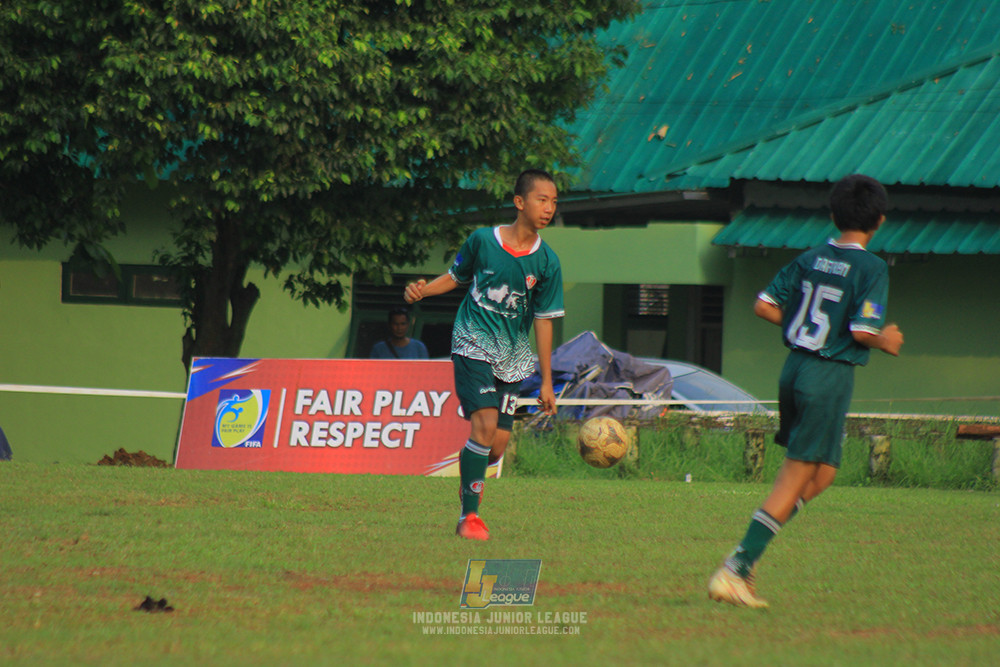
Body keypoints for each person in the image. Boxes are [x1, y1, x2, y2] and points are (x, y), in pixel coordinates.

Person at [708, 174, 905, 608]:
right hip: (827, 375)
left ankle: (748, 552)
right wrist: (885, 340)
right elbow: (862, 329)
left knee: (823, 475)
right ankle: (738, 566)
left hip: (795, 368)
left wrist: (807, 331)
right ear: (880, 221)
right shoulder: (871, 267)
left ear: (834, 215)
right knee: (794, 477)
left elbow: (764, 305)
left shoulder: (811, 257)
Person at [404, 169, 564, 541]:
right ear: (519, 202)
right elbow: (455, 276)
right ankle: (469, 518)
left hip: (512, 355)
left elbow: (543, 322)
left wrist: (546, 382)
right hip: (472, 342)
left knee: (495, 449)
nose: (549, 208)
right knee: (485, 426)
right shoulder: (481, 240)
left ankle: (469, 478)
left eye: (554, 202)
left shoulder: (548, 262)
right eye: (543, 199)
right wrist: (423, 291)